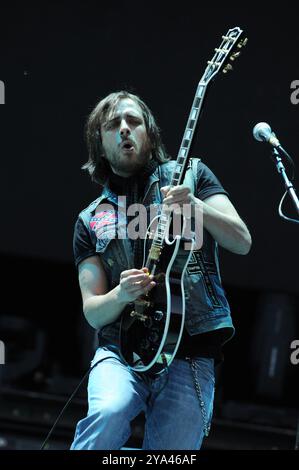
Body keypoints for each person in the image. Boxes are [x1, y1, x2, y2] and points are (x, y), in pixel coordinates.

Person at [70, 90, 252, 450]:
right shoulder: (90, 219)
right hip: (120, 350)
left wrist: (197, 206)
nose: (124, 129)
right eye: (113, 125)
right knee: (108, 414)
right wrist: (120, 295)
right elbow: (93, 311)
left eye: (133, 121)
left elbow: (241, 241)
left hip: (192, 350)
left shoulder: (193, 174)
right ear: (99, 142)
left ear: (149, 133)